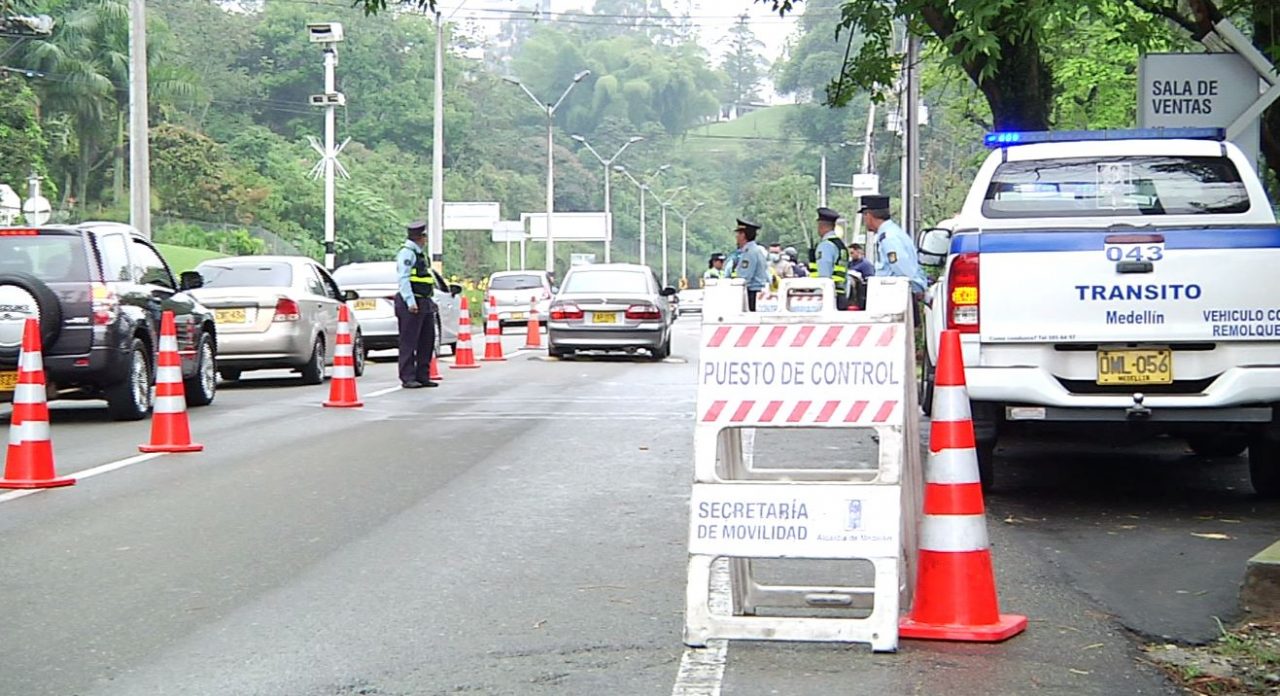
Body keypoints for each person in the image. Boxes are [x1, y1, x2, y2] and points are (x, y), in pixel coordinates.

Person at [394, 221, 438, 389]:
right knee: (409, 341)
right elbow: (403, 278)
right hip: (411, 303)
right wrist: (410, 302)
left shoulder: (419, 254)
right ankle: (408, 377)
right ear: (421, 237)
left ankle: (423, 375)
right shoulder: (407, 253)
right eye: (425, 236)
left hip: (424, 301)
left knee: (427, 340)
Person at [861, 195, 927, 299]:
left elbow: (900, 266)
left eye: (864, 216)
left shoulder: (889, 238)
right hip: (899, 294)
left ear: (868, 215)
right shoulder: (894, 233)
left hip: (895, 295)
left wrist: (915, 289)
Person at [808, 207, 852, 310]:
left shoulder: (825, 246)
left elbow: (824, 276)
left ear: (821, 225)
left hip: (829, 297)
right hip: (840, 293)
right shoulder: (840, 245)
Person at [733, 218, 770, 311]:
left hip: (752, 293)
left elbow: (744, 278)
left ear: (743, 235)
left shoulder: (749, 252)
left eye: (738, 233)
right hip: (756, 292)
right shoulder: (755, 250)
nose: (736, 237)